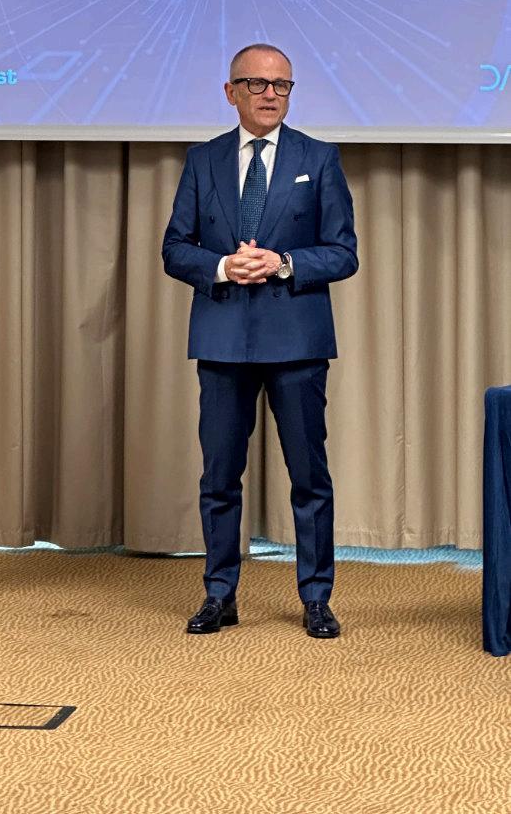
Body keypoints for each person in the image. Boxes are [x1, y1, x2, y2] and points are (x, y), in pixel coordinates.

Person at [162, 44, 357, 639]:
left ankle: (316, 598)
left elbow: (344, 253)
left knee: (310, 478)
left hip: (297, 341)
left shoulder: (319, 158)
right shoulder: (203, 160)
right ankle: (219, 594)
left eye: (282, 85)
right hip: (223, 340)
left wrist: (284, 262)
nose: (271, 95)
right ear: (231, 92)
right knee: (219, 479)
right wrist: (223, 267)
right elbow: (175, 248)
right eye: (257, 84)